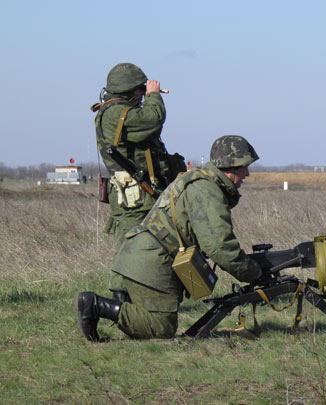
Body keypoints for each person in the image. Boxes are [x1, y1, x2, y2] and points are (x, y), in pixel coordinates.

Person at [75, 135, 262, 341]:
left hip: (136, 256)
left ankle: (109, 307)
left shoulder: (198, 181)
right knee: (161, 327)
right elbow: (220, 247)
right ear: (230, 167)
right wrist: (252, 272)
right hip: (150, 261)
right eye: (245, 166)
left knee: (150, 320)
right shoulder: (207, 190)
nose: (247, 173)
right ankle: (95, 305)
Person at [91, 62, 185, 249]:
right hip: (135, 201)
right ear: (127, 91)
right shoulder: (114, 113)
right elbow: (153, 120)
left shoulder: (119, 111)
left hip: (144, 196)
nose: (141, 95)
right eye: (139, 91)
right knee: (131, 252)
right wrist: (153, 96)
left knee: (153, 250)